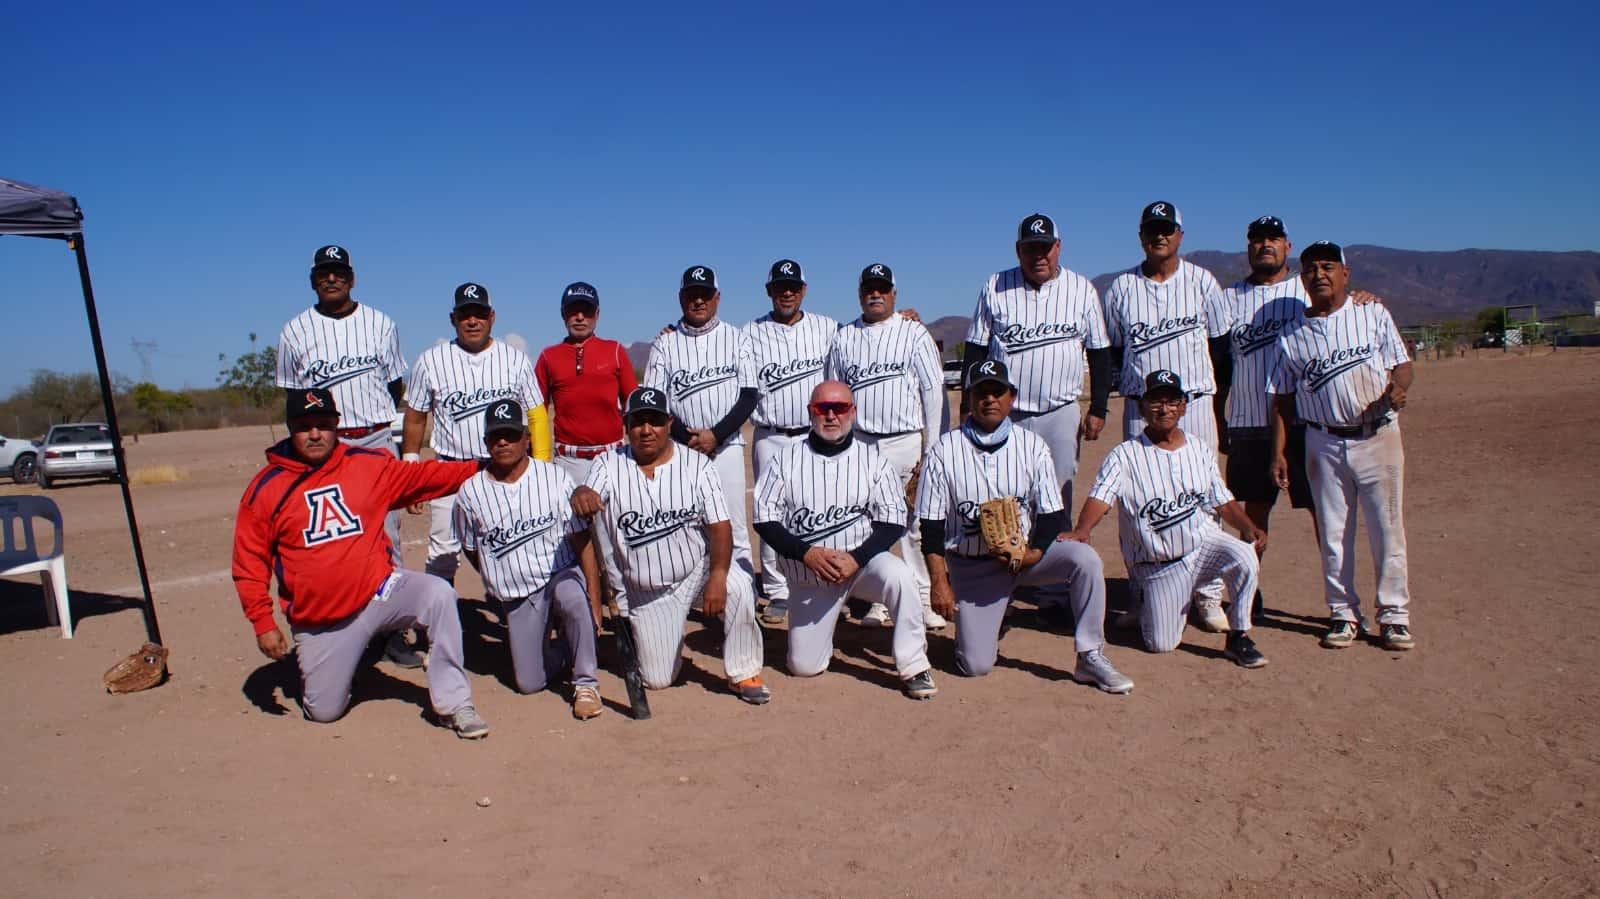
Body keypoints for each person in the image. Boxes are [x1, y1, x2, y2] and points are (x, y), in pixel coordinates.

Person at [231, 388, 490, 737]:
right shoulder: (266, 488)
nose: (315, 434)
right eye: (304, 426)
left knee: (438, 594)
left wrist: (485, 467)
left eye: (323, 424)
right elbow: (249, 562)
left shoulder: (367, 464)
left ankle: (455, 703)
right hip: (323, 621)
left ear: (337, 425)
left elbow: (426, 477)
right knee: (323, 712)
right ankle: (347, 658)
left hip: (379, 592)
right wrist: (263, 623)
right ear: (290, 428)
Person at [1209, 217, 1384, 623]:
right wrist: (1220, 420)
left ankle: (1342, 603)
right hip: (1249, 420)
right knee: (1253, 517)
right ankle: (1247, 592)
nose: (1264, 246)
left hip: (1305, 423)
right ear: (1247, 247)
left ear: (1287, 246)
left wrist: (1364, 298)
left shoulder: (1304, 288)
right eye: (1256, 240)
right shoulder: (1229, 296)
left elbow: (1341, 312)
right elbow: (1219, 365)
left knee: (1326, 515)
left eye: (1272, 239)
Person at [918, 361, 1131, 692]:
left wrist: (1033, 554)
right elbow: (931, 525)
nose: (990, 399)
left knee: (1085, 560)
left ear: (1011, 398)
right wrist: (939, 581)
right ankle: (983, 627)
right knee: (976, 666)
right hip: (973, 567)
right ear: (970, 399)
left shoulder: (1032, 446)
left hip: (1024, 559)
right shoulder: (944, 450)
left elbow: (1049, 515)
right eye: (981, 392)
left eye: (997, 391)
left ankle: (1090, 655)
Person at [570, 387, 770, 703]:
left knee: (738, 584)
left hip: (696, 571)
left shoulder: (698, 465)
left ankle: (744, 672)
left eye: (655, 421)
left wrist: (717, 576)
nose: (646, 430)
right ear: (626, 426)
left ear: (668, 423)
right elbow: (586, 497)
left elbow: (720, 527)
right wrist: (581, 491)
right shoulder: (607, 464)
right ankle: (649, 638)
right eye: (638, 422)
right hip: (648, 591)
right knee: (658, 679)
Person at [1267, 241, 1416, 652]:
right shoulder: (1292, 334)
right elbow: (1281, 398)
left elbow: (1400, 363)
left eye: (1328, 267)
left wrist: (1399, 388)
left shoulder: (1370, 313)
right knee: (1334, 534)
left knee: (1388, 530)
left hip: (1378, 435)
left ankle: (1394, 616)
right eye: (1311, 268)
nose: (1320, 274)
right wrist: (1279, 451)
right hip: (1323, 439)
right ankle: (1343, 613)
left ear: (1345, 275)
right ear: (1302, 279)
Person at [1067, 371, 1269, 669]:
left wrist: (1247, 526)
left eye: (1172, 401)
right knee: (1161, 645)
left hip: (1203, 546)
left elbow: (1222, 500)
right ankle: (1148, 597)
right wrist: (1083, 529)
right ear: (1142, 407)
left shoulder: (1198, 448)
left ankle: (1239, 636)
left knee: (1244, 554)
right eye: (1156, 401)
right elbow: (1101, 497)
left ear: (1184, 406)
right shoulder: (1125, 455)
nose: (1164, 409)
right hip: (1162, 564)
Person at [275, 245, 417, 664]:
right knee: (328, 538)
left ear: (352, 278)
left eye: (339, 272)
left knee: (387, 538)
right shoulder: (294, 332)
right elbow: (292, 397)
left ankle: (394, 631)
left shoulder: (380, 323)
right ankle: (340, 628)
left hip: (374, 441)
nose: (331, 279)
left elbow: (394, 386)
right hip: (325, 448)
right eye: (324, 273)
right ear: (313, 280)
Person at [752, 380, 935, 699]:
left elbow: (893, 521)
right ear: (811, 412)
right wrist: (806, 553)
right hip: (809, 574)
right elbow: (764, 520)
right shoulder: (785, 460)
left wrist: (857, 558)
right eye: (824, 408)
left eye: (840, 408)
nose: (832, 416)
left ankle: (914, 665)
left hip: (862, 567)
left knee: (901, 576)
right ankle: (825, 627)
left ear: (853, 412)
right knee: (804, 667)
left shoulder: (872, 459)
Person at [1101, 203, 1230, 630]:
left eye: (1167, 229)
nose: (1160, 236)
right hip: (1142, 406)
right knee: (1136, 502)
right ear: (1141, 236)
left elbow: (1222, 348)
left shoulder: (1202, 282)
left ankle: (1207, 594)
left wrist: (1222, 407)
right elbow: (1116, 350)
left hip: (1192, 402)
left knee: (1204, 495)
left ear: (1179, 234)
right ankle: (1144, 591)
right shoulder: (1121, 288)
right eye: (1152, 230)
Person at [452, 400, 603, 719]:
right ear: (486, 443)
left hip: (559, 574)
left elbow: (581, 540)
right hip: (518, 592)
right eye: (496, 436)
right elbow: (471, 547)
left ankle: (586, 682)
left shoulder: (555, 478)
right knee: (529, 682)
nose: (503, 442)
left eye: (510, 434)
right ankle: (571, 646)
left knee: (575, 599)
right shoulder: (470, 492)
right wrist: (496, 575)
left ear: (527, 438)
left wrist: (594, 598)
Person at [961, 213, 1114, 515]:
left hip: (1060, 413)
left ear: (1058, 247)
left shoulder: (1081, 289)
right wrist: (968, 403)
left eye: (1045, 247)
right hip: (1008, 414)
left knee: (1057, 496)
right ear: (1018, 250)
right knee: (1005, 494)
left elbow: (1099, 352)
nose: (1039, 256)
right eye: (1031, 248)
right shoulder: (996, 285)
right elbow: (975, 350)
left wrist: (1098, 407)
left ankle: (1055, 558)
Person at [401, 282, 547, 587]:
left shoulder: (514, 359)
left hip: (501, 468)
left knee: (509, 545)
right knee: (442, 554)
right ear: (453, 318)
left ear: (492, 317)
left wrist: (542, 465)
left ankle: (515, 614)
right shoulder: (431, 360)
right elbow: (415, 416)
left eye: (479, 314)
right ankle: (440, 627)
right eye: (465, 314)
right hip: (449, 469)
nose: (472, 321)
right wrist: (412, 467)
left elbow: (536, 415)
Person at [827, 263, 947, 631]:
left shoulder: (913, 333)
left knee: (912, 525)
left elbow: (933, 393)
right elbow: (835, 393)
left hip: (904, 441)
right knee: (866, 524)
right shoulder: (844, 336)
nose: (875, 294)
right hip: (861, 444)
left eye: (882, 288)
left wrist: (934, 449)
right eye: (868, 288)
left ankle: (922, 598)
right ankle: (879, 600)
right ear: (860, 293)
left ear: (894, 293)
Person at [642, 266, 759, 571]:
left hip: (728, 447)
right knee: (687, 525)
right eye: (691, 295)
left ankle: (741, 599)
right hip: (683, 451)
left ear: (717, 298)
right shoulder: (665, 343)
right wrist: (690, 439)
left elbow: (749, 395)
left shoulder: (736, 338)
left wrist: (716, 435)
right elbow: (656, 403)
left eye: (704, 295)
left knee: (734, 525)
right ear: (681, 298)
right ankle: (693, 594)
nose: (698, 301)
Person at [742, 260, 840, 625]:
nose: (787, 292)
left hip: (816, 434)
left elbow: (864, 337)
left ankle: (827, 578)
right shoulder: (749, 332)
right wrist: (673, 330)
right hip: (771, 435)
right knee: (771, 514)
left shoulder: (827, 327)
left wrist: (903, 317)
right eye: (780, 286)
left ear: (804, 290)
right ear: (769, 290)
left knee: (824, 507)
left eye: (793, 286)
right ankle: (778, 589)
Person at [534, 281, 639, 614]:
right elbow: (537, 412)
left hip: (611, 457)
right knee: (572, 542)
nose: (579, 317)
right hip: (568, 459)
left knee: (615, 544)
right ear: (563, 314)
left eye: (586, 310)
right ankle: (581, 618)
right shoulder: (549, 356)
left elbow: (633, 405)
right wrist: (541, 463)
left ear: (597, 314)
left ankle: (624, 617)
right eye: (572, 310)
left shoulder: (614, 351)